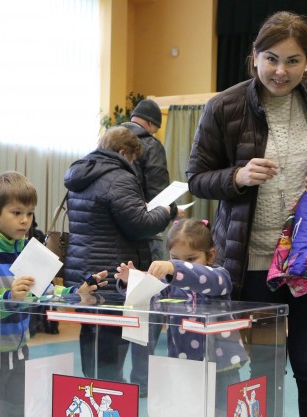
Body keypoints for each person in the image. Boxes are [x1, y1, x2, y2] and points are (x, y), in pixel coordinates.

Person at [186, 11, 307, 417]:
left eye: (293, 61)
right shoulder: (224, 106)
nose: (281, 71)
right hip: (254, 265)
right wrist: (238, 176)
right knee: (263, 368)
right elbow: (196, 178)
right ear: (255, 56)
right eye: (272, 59)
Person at [0, 171, 101, 417]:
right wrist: (9, 298)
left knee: (19, 411)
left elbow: (46, 290)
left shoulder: (26, 251)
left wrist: (76, 292)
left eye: (29, 213)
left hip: (18, 350)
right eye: (16, 213)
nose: (25, 220)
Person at [63, 126, 171, 384]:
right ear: (123, 152)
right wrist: (165, 212)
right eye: (132, 159)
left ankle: (92, 389)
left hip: (83, 270)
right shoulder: (119, 178)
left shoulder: (80, 174)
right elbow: (139, 225)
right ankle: (110, 394)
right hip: (112, 273)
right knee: (111, 342)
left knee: (91, 334)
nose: (132, 164)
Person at [115, 218, 248, 417]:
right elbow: (150, 300)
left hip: (222, 366)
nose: (181, 265)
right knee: (188, 410)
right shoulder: (169, 285)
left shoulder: (220, 277)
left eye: (191, 259)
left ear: (210, 255)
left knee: (223, 411)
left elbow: (204, 278)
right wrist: (132, 281)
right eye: (175, 258)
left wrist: (174, 267)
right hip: (184, 364)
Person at [120, 99, 184, 394]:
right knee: (150, 306)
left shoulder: (108, 139)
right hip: (147, 237)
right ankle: (143, 380)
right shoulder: (150, 144)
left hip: (116, 238)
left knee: (123, 306)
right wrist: (173, 211)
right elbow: (159, 197)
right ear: (151, 124)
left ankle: (110, 379)